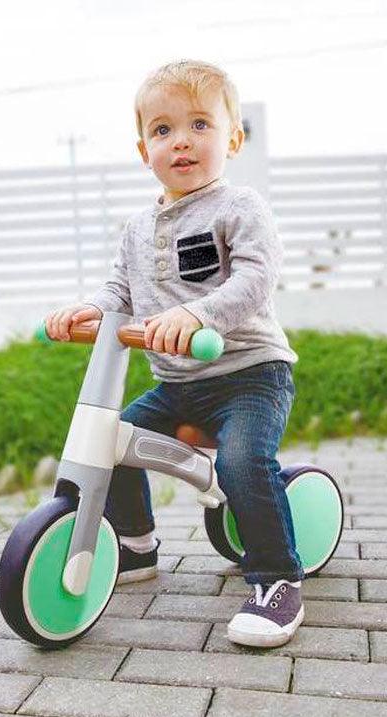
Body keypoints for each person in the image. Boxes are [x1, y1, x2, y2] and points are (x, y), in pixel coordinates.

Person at [45, 60, 303, 648]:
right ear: (145, 151)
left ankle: (276, 578)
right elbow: (119, 290)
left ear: (232, 139)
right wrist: (89, 311)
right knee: (116, 438)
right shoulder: (136, 227)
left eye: (199, 125)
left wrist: (196, 314)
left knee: (241, 463)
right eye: (162, 130)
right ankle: (135, 545)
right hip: (177, 382)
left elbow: (255, 281)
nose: (180, 140)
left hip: (248, 376)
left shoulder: (240, 207)